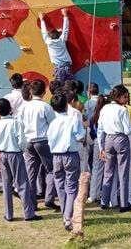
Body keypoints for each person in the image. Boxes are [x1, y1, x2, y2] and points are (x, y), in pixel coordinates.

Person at [0, 98, 42, 222]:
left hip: (3, 155)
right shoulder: (16, 123)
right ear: (11, 109)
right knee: (22, 183)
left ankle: (8, 214)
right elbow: (22, 141)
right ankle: (28, 213)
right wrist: (22, 150)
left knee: (6, 184)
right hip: (15, 154)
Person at [46, 93, 86, 231]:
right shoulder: (72, 119)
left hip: (56, 156)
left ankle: (65, 214)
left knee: (60, 186)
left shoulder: (52, 123)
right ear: (66, 105)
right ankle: (68, 217)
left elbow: (49, 141)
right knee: (71, 187)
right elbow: (80, 136)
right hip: (70, 155)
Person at [18, 80, 59, 210]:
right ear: (44, 91)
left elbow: (20, 125)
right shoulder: (46, 107)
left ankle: (31, 202)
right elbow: (53, 125)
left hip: (28, 141)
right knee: (52, 170)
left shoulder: (24, 107)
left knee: (31, 173)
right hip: (42, 140)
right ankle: (49, 198)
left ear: (30, 91)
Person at [97, 85, 131, 212]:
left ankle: (104, 201)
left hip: (108, 139)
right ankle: (124, 203)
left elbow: (100, 128)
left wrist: (101, 147)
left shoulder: (105, 108)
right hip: (121, 139)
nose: (126, 99)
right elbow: (128, 129)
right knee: (123, 172)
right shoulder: (123, 110)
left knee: (108, 172)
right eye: (125, 97)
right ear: (119, 97)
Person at [39, 8, 73, 83]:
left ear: (50, 37)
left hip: (58, 67)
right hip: (67, 66)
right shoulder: (62, 40)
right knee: (69, 85)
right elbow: (65, 29)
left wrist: (42, 20)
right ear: (59, 35)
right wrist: (65, 15)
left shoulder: (48, 42)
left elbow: (44, 32)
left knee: (59, 86)